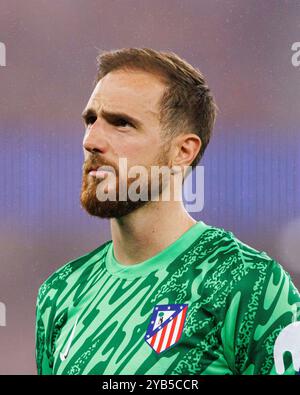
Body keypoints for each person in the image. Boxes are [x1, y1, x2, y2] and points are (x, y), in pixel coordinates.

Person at [35, 48, 300, 375]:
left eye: (121, 124)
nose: (92, 139)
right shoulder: (60, 292)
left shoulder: (248, 284)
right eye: (91, 120)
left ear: (182, 151)